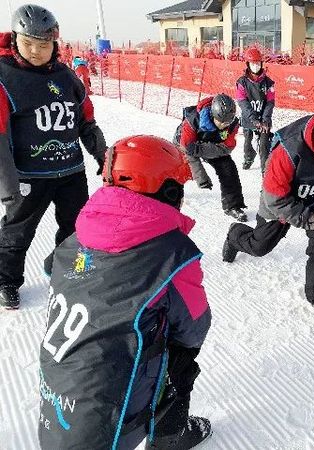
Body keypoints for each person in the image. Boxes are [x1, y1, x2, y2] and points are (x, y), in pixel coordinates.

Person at [38, 135, 212, 450]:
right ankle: (168, 437)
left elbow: (54, 270)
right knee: (181, 357)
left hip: (56, 411)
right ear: (169, 191)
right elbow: (194, 327)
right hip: (107, 426)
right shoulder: (174, 253)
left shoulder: (73, 240)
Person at [0, 4, 107, 309]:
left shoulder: (67, 77)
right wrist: (8, 187)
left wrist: (103, 156)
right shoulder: (4, 78)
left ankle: (67, 271)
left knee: (77, 228)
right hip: (28, 177)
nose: (35, 51)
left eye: (43, 45)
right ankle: (6, 280)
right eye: (28, 43)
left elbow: (86, 122)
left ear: (55, 45)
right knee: (17, 233)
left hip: (70, 171)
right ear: (15, 40)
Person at [222, 101, 314, 324]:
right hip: (284, 199)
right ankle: (235, 235)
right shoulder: (289, 149)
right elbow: (274, 199)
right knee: (260, 246)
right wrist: (307, 218)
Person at [175, 93, 248, 222]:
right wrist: (201, 178)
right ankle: (170, 201)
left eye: (227, 122)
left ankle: (233, 206)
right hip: (184, 144)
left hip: (208, 147)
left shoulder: (232, 124)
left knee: (228, 168)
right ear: (212, 115)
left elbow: (227, 148)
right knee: (177, 170)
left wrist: (200, 148)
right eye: (221, 122)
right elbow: (187, 148)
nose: (224, 125)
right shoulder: (193, 120)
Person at [235, 47, 275, 172]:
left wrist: (265, 119)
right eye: (253, 63)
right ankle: (249, 157)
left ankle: (265, 170)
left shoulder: (269, 83)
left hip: (264, 118)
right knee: (247, 142)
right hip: (249, 118)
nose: (256, 66)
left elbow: (270, 102)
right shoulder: (242, 82)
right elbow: (243, 103)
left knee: (264, 145)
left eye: (258, 63)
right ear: (248, 64)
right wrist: (253, 119)